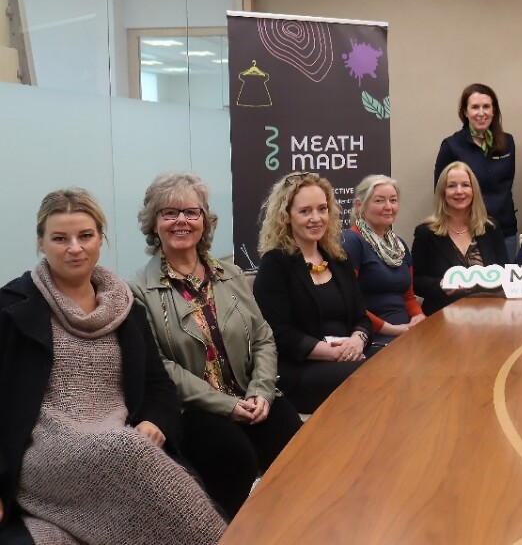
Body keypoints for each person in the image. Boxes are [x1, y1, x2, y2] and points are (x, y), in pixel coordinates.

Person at [0, 188, 226, 544]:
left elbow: (158, 384)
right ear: (41, 243)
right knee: (127, 450)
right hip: (46, 450)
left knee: (136, 450)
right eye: (60, 238)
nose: (75, 248)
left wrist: (155, 421)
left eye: (85, 236)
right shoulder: (13, 309)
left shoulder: (125, 309)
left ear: (101, 239)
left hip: (121, 436)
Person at [131, 172, 302, 518]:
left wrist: (261, 391)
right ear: (154, 224)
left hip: (252, 394)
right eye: (170, 213)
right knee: (235, 456)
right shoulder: (138, 291)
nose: (182, 220)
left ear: (205, 222)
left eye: (191, 213)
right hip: (195, 410)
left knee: (298, 447)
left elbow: (263, 337)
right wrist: (227, 406)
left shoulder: (231, 274)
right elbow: (162, 366)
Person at [253, 172, 374, 414]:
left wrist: (357, 340)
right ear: (286, 216)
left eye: (322, 209)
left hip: (349, 359)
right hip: (300, 372)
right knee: (371, 375)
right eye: (305, 211)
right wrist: (333, 353)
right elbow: (278, 334)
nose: (316, 218)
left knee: (397, 364)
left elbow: (362, 318)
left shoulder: (339, 259)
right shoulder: (275, 264)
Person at [413, 161, 509, 315]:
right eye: (451, 186)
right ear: (442, 192)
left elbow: (505, 272)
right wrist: (440, 285)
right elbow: (415, 281)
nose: (459, 191)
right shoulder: (426, 232)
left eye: (465, 185)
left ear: (474, 190)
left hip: (489, 314)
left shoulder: (490, 228)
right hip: (442, 315)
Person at [435, 83, 518, 259]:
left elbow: (506, 185)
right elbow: (441, 191)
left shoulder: (507, 143)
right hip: (467, 231)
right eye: (475, 107)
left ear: (494, 110)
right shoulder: (452, 146)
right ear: (465, 112)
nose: (481, 113)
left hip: (504, 230)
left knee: (505, 285)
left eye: (486, 107)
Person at [343, 174, 426, 340]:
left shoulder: (399, 245)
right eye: (379, 201)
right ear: (360, 206)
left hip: (406, 332)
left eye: (393, 200)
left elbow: (408, 297)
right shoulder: (351, 241)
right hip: (372, 336)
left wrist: (419, 317)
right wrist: (392, 330)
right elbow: (347, 303)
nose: (388, 207)